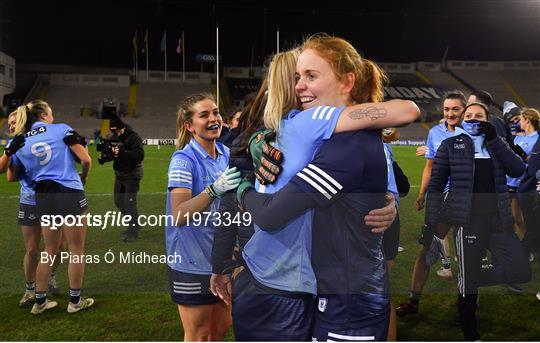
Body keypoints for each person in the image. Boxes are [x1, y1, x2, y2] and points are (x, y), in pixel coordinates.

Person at [230, 36, 420, 341]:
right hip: (326, 293)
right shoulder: (329, 134)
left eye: (311, 76)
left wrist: (242, 188)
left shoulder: (347, 142)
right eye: (297, 77)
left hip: (348, 302)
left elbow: (270, 215)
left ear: (346, 82)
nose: (299, 86)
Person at [425, 102, 531, 340]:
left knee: (520, 270)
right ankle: (470, 332)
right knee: (468, 288)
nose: (473, 119)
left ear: (488, 120)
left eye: (479, 116)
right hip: (468, 222)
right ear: (462, 120)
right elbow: (436, 185)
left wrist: (495, 140)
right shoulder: (451, 145)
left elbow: (517, 169)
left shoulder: (497, 144)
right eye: (469, 116)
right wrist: (431, 223)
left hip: (500, 221)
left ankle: (469, 274)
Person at [165, 93, 242, 341]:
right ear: (189, 125)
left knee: (219, 331)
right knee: (198, 335)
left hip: (222, 259)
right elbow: (178, 215)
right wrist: (212, 190)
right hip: (191, 262)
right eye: (204, 114)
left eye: (216, 112)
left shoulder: (226, 154)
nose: (214, 118)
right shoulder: (183, 160)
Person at [9, 100, 93, 315]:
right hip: (68, 191)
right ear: (44, 115)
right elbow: (85, 159)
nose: (53, 116)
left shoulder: (20, 141)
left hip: (42, 196)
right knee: (76, 250)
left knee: (48, 250)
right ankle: (75, 301)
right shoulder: (61, 129)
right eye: (51, 113)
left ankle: (39, 302)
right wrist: (84, 176)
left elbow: (13, 175)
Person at [397, 92, 467, 316]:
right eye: (447, 109)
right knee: (426, 249)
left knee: (468, 252)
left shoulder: (472, 133)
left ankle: (467, 307)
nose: (450, 113)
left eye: (455, 109)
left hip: (467, 199)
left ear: (464, 110)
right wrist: (422, 194)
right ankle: (413, 301)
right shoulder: (435, 133)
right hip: (441, 198)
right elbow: (429, 167)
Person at [2, 111, 62, 307]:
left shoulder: (24, 142)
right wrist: (11, 155)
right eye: (9, 124)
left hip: (44, 198)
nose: (10, 126)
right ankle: (31, 290)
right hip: (35, 199)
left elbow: (11, 176)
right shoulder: (15, 145)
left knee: (54, 247)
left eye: (13, 122)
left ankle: (47, 279)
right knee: (34, 249)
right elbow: (9, 176)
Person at [108, 115, 144, 242]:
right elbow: (114, 155)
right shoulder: (114, 138)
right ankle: (134, 222)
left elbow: (140, 155)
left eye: (118, 130)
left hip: (132, 175)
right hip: (120, 174)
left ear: (122, 127)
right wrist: (106, 157)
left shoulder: (133, 137)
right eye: (114, 131)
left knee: (130, 203)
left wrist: (123, 153)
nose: (116, 133)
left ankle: (132, 231)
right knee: (118, 201)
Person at [515, 108, 540, 261]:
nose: (518, 122)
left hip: (529, 189)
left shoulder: (537, 140)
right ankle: (521, 254)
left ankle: (521, 254)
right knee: (531, 226)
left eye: (520, 119)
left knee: (532, 227)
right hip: (525, 188)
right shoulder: (523, 139)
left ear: (527, 120)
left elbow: (534, 167)